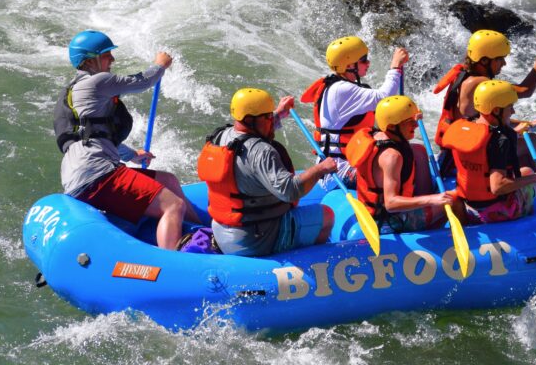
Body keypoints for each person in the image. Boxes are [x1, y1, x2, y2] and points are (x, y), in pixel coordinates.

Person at [54, 30, 201, 250]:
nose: (112, 59)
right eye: (106, 55)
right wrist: (160, 65)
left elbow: (96, 136)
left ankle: (200, 229)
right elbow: (143, 81)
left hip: (86, 172)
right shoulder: (97, 82)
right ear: (90, 60)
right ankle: (171, 262)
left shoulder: (76, 91)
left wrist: (133, 155)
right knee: (173, 205)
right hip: (97, 176)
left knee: (168, 180)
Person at [197, 88, 339, 257]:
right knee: (326, 215)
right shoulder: (263, 152)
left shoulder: (221, 136)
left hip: (222, 232)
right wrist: (320, 168)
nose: (272, 121)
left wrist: (279, 113)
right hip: (254, 241)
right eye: (268, 117)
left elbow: (251, 139)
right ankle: (309, 261)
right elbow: (290, 191)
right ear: (251, 120)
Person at [433, 29, 536, 174]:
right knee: (534, 141)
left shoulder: (463, 76)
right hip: (467, 155)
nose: (504, 63)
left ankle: (530, 186)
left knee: (524, 142)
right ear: (484, 60)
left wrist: (528, 125)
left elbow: (485, 119)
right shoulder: (479, 83)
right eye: (499, 59)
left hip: (457, 150)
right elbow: (525, 90)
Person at [440, 79, 536, 224]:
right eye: (510, 107)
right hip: (497, 212)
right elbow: (498, 187)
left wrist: (516, 132)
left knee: (526, 170)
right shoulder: (500, 141)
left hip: (469, 208)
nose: (513, 111)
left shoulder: (465, 129)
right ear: (497, 110)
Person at [300, 36, 408, 184]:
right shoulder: (342, 90)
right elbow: (384, 96)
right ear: (350, 65)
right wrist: (395, 66)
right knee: (398, 164)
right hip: (338, 173)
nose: (368, 63)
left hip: (345, 164)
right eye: (364, 60)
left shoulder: (338, 86)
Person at [345, 96, 461, 234]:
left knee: (418, 150)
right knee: (455, 199)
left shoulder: (378, 135)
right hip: (389, 221)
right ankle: (448, 234)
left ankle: (425, 201)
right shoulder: (392, 157)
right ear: (393, 126)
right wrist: (432, 199)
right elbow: (391, 203)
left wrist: (411, 115)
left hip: (378, 210)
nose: (416, 125)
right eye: (410, 122)